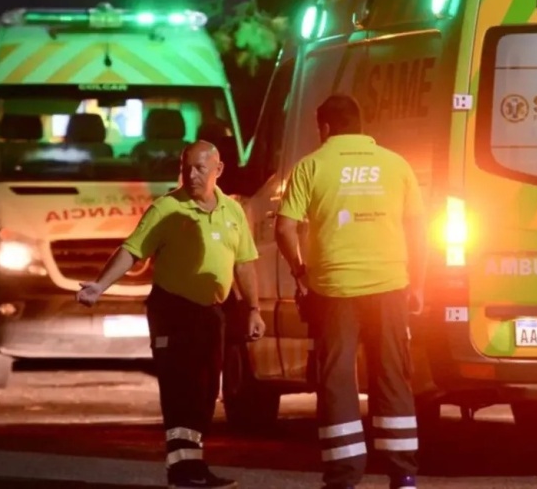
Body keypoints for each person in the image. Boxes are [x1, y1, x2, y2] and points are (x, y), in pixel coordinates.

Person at [77, 140, 264, 489]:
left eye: (200, 168)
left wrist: (253, 309)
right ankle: (182, 472)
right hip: (173, 310)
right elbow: (132, 250)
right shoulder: (166, 209)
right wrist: (99, 286)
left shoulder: (233, 212)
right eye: (187, 167)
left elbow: (245, 263)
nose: (192, 175)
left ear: (218, 170)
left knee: (206, 391)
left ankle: (193, 467)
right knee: (181, 390)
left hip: (212, 312)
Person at [275, 94, 426, 489]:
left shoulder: (311, 166)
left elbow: (285, 227)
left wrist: (300, 272)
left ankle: (344, 475)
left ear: (324, 127)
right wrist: (419, 283)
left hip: (334, 289)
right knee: (392, 374)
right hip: (391, 286)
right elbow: (419, 229)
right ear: (360, 125)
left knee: (337, 379)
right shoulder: (396, 165)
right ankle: (403, 472)